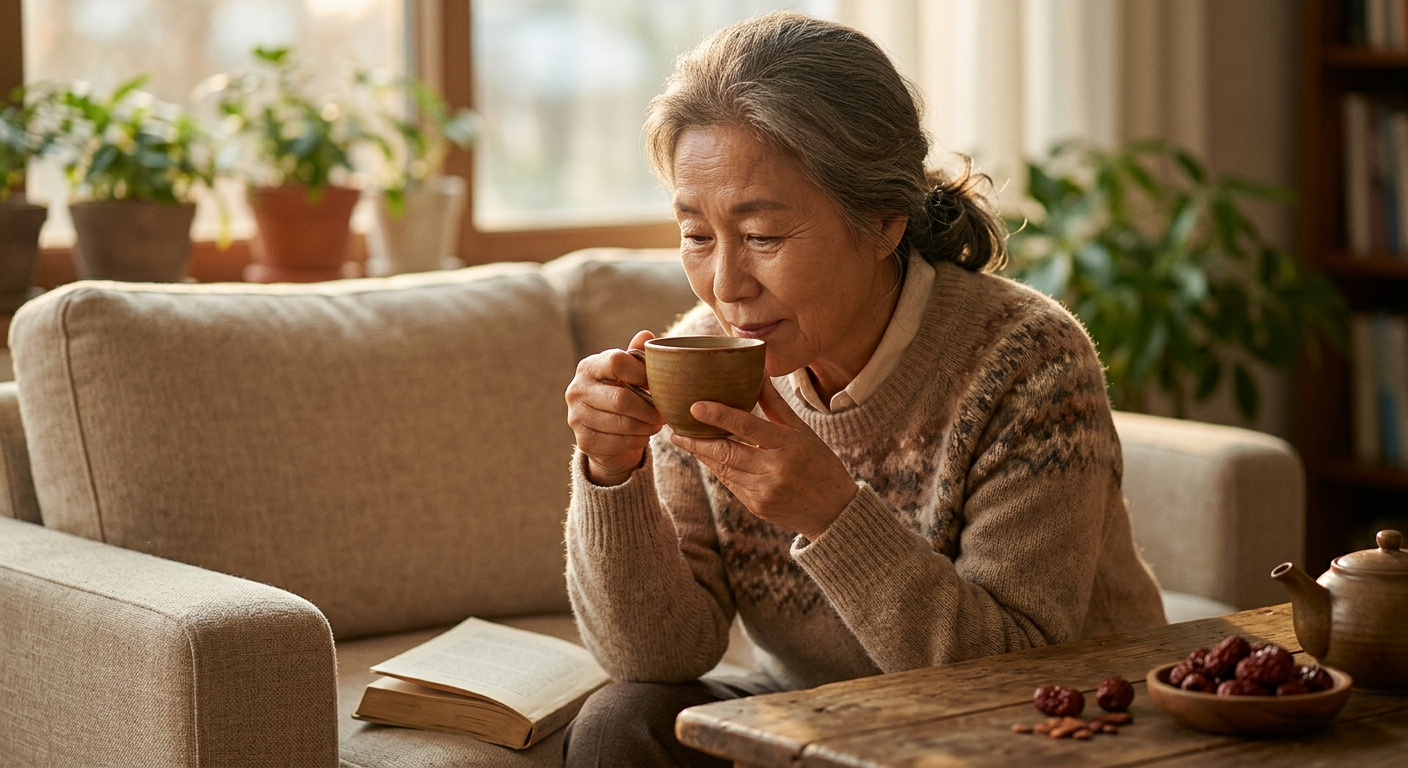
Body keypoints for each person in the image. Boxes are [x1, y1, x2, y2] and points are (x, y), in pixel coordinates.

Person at [561, 11, 1165, 767]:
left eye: (762, 236)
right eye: (696, 233)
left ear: (883, 222)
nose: (725, 286)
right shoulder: (709, 355)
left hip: (1033, 727)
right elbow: (658, 655)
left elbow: (1014, 666)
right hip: (828, 727)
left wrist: (830, 512)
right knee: (624, 719)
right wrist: (610, 474)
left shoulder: (1026, 361)